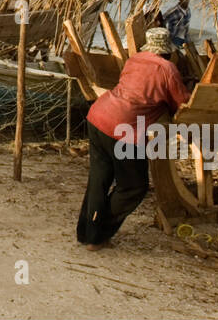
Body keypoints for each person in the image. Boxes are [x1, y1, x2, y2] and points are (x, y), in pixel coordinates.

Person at [76, 27, 191, 249]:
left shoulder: (135, 59)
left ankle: (86, 233)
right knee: (134, 186)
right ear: (167, 51)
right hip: (125, 129)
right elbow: (181, 104)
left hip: (98, 116)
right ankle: (99, 234)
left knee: (99, 180)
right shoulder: (168, 69)